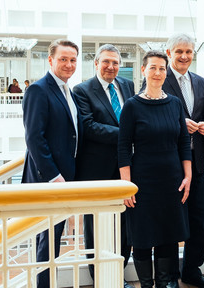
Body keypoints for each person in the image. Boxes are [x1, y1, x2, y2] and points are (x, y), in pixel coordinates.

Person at [140, 33, 204, 288]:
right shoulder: (158, 77)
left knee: (197, 220)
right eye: (179, 51)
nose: (184, 56)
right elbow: (146, 115)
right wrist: (179, 124)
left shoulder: (202, 83)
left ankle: (191, 270)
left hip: (197, 164)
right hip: (169, 166)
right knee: (170, 221)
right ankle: (169, 276)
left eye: (189, 52)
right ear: (169, 53)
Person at [118, 51, 191, 288]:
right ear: (143, 70)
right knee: (141, 237)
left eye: (162, 68)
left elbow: (183, 142)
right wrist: (127, 186)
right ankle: (146, 285)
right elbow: (123, 147)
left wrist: (188, 176)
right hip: (142, 182)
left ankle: (162, 284)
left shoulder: (175, 104)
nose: (158, 73)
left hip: (171, 180)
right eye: (153, 68)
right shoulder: (132, 106)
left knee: (167, 235)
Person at [73, 44, 136, 288]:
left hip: (126, 167)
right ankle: (99, 277)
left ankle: (118, 276)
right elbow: (88, 127)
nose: (111, 67)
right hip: (96, 170)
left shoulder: (127, 85)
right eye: (106, 62)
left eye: (116, 62)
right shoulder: (82, 90)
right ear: (96, 63)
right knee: (95, 228)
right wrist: (127, 134)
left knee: (125, 225)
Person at [21, 39, 81, 288]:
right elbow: (34, 138)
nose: (68, 64)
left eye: (73, 60)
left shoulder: (68, 90)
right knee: (46, 243)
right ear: (50, 60)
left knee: (54, 240)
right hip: (49, 181)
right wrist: (54, 176)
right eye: (63, 59)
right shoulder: (39, 89)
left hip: (64, 178)